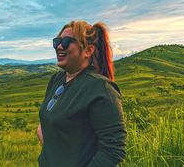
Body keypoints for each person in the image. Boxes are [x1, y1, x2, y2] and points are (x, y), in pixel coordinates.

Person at [37, 20, 127, 167]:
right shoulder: (57, 80)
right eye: (57, 41)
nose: (59, 46)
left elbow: (113, 151)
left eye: (67, 42)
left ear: (88, 51)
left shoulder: (100, 88)